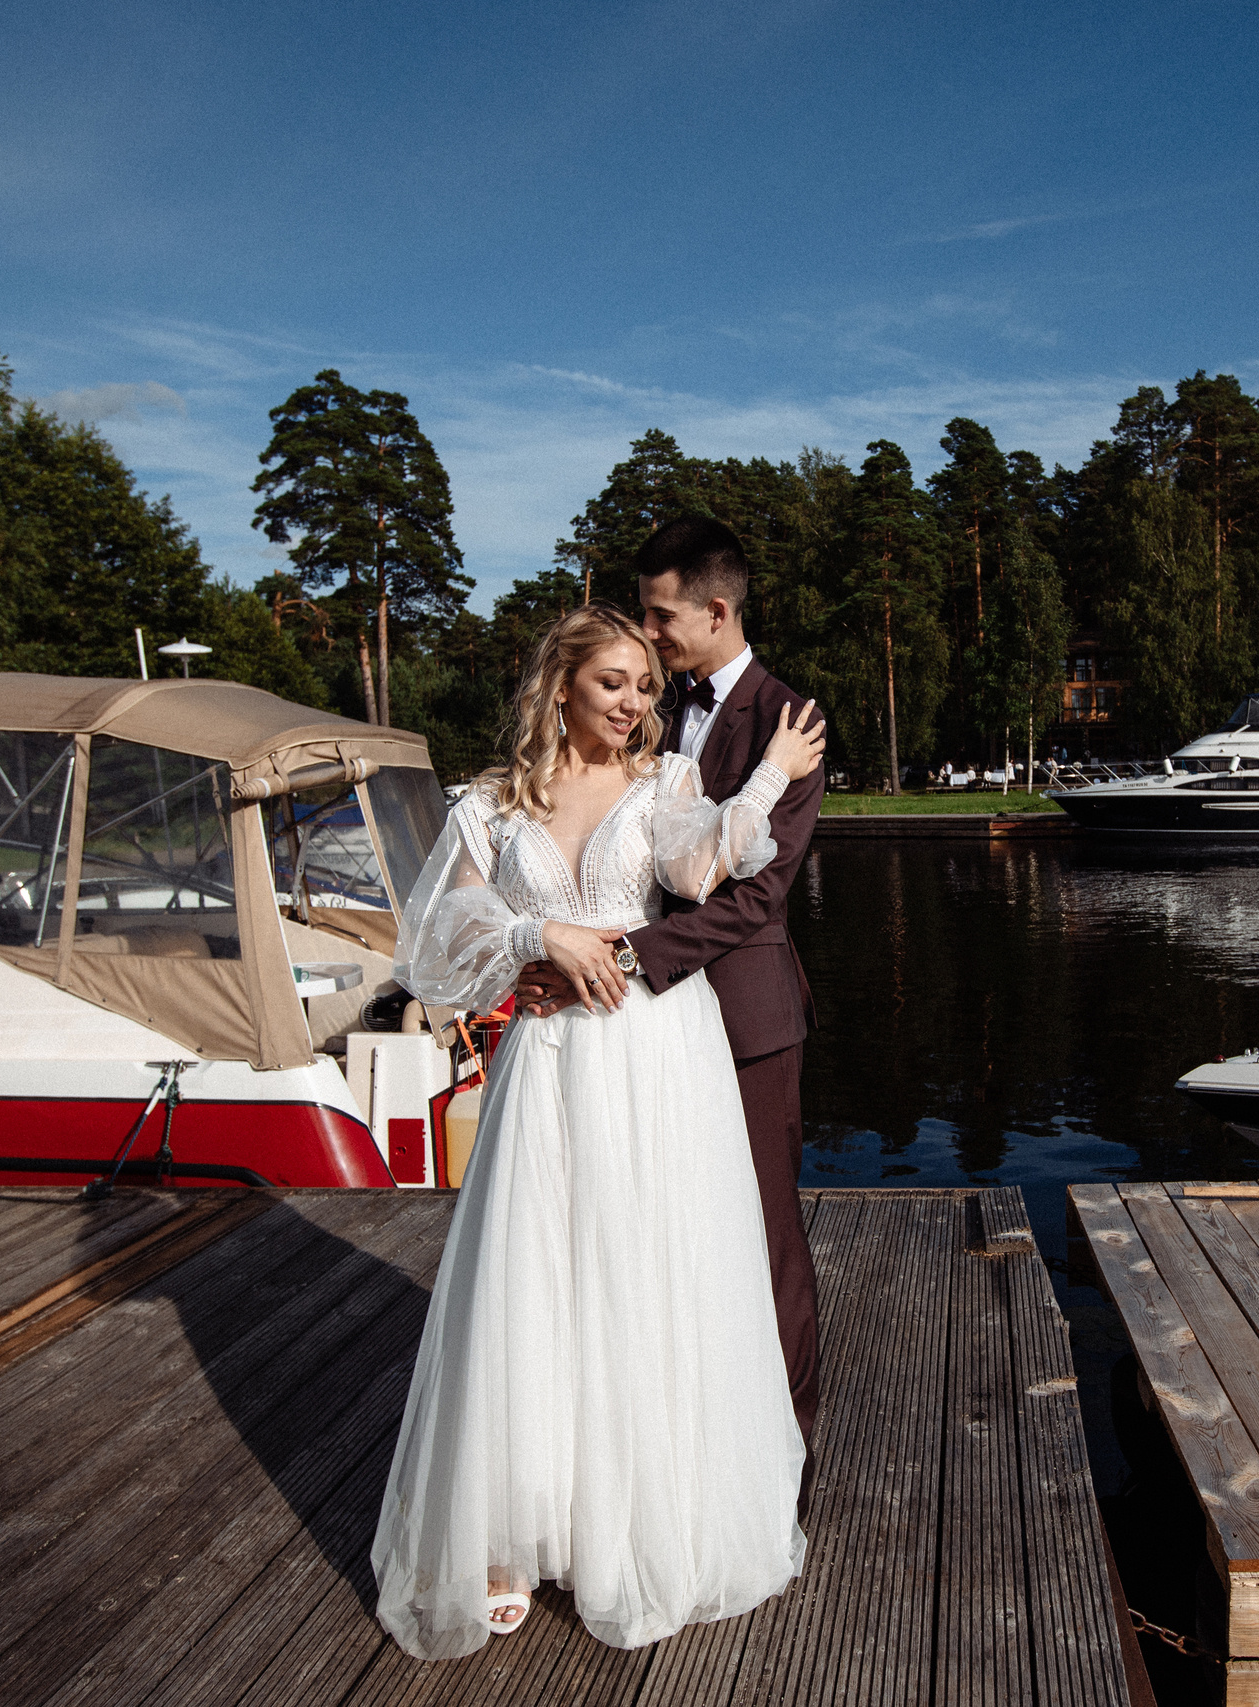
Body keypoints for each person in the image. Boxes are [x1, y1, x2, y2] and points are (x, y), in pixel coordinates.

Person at [370, 603, 828, 1657]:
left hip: (656, 1052)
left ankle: (637, 1519)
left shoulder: (664, 784)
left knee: (642, 1268)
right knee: (538, 1274)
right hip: (549, 1061)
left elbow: (699, 873)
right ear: (560, 684)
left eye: (643, 688)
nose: (632, 704)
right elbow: (439, 935)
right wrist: (539, 931)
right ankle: (514, 1525)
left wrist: (764, 779)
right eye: (612, 683)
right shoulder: (488, 803)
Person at [516, 517, 828, 1493]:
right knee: (666, 1230)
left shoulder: (790, 720)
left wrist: (623, 955)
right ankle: (676, 1437)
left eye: (660, 617)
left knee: (765, 1235)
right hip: (641, 1035)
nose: (646, 638)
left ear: (716, 610)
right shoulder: (649, 709)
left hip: (738, 1021)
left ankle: (786, 1450)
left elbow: (756, 898)